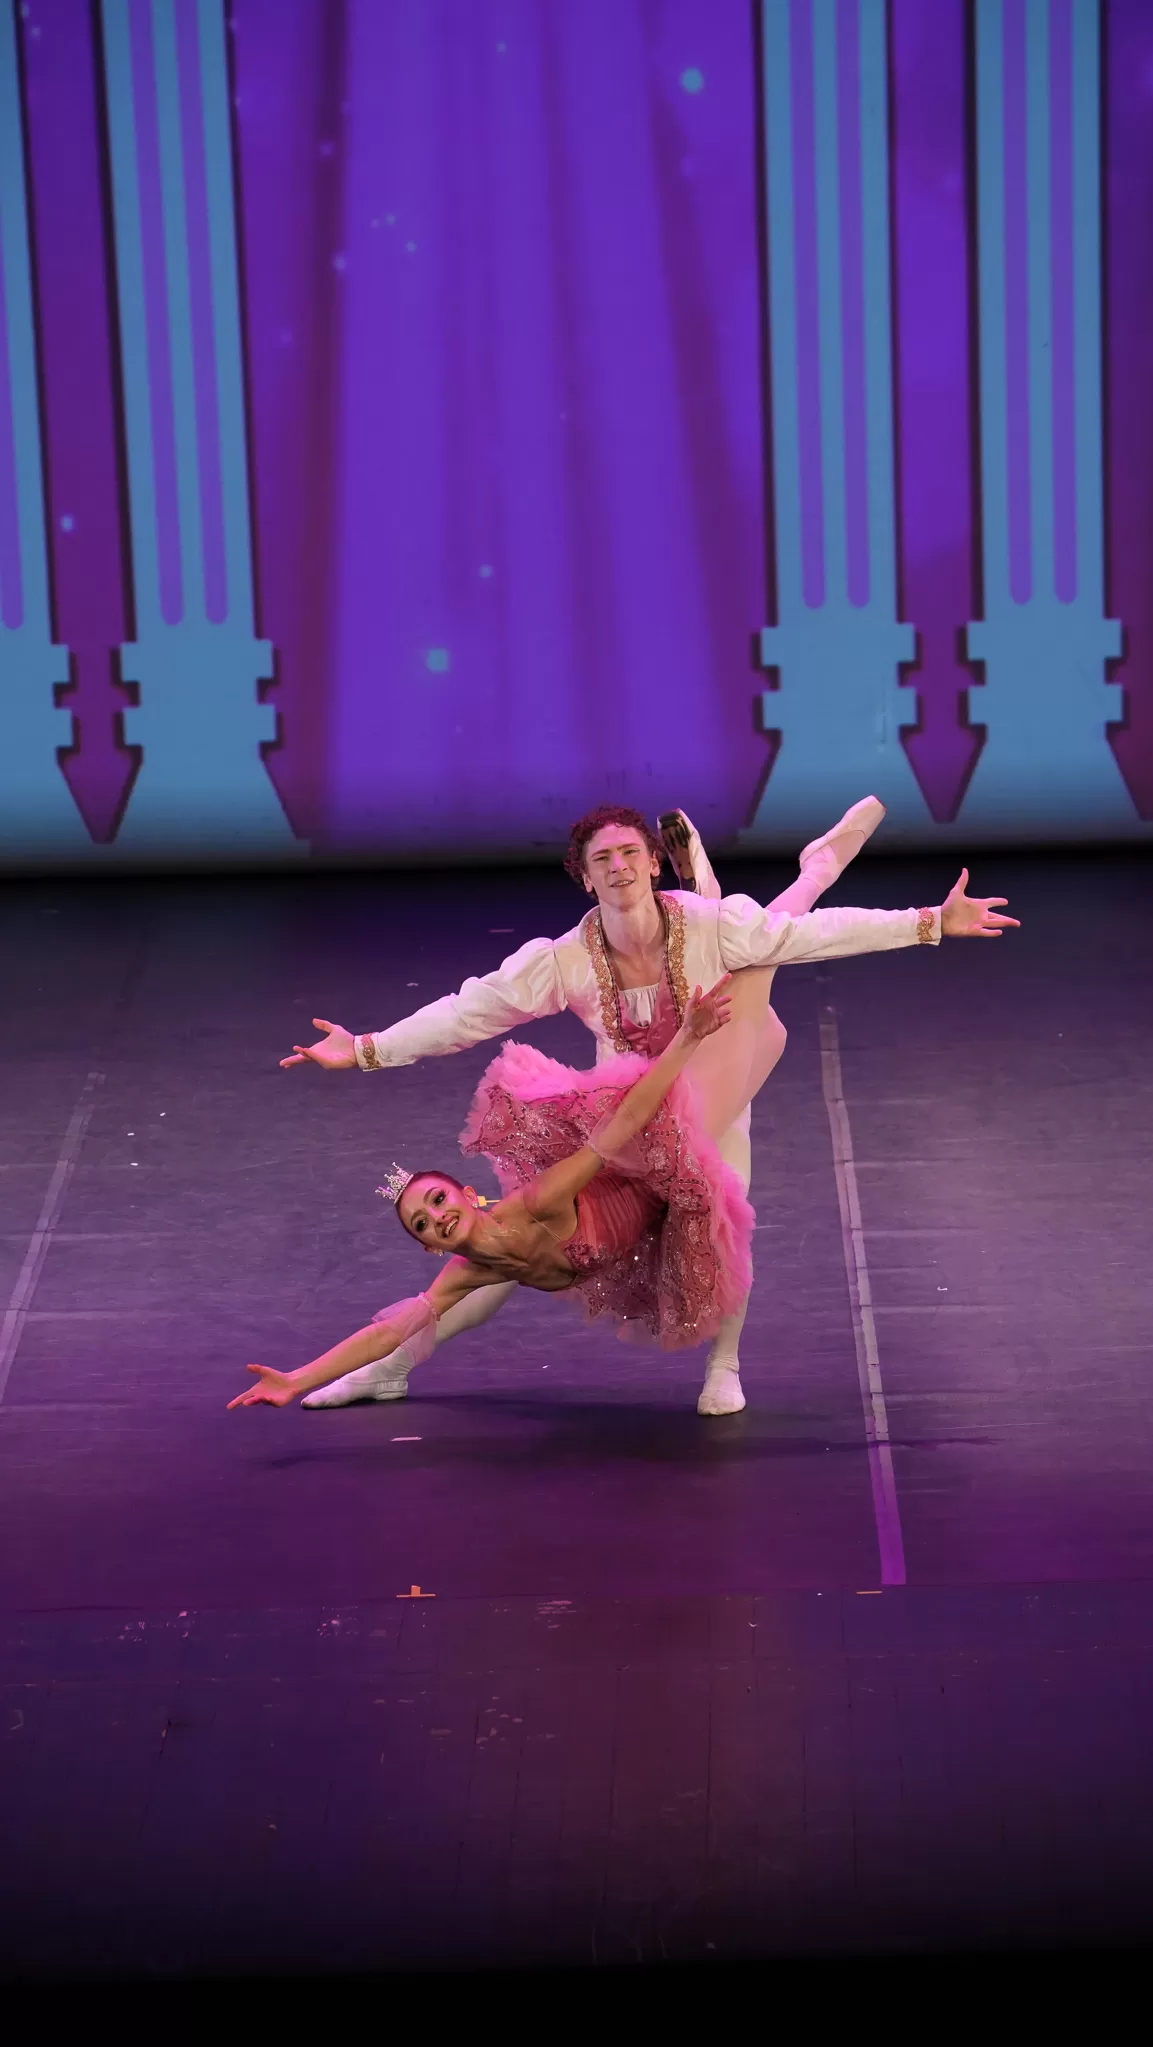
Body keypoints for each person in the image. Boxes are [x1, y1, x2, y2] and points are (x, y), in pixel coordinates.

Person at [281, 800, 1018, 1415]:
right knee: (503, 1248)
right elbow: (470, 1010)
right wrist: (369, 1047)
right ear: (584, 876)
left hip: (716, 1068)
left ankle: (723, 1366)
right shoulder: (565, 959)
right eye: (601, 859)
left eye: (630, 852)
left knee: (730, 1182)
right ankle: (391, 1367)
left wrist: (929, 921)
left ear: (652, 864)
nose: (618, 867)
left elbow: (812, 937)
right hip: (629, 1109)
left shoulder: (706, 926)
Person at [231, 974, 747, 1409]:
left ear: (470, 1194)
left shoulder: (539, 1202)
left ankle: (794, 886)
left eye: (438, 1200)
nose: (437, 1217)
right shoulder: (466, 1273)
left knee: (755, 1018)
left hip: (665, 1159)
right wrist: (296, 1379)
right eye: (422, 1224)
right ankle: (387, 1375)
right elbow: (387, 1332)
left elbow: (626, 1120)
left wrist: (689, 1037)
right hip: (649, 1222)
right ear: (430, 1248)